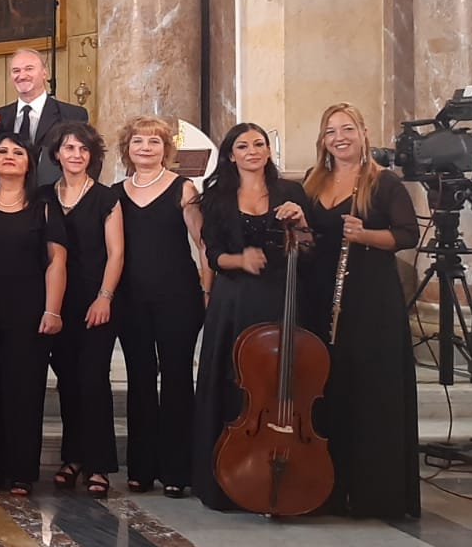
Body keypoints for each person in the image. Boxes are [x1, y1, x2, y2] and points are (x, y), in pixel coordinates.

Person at [299, 103, 419, 519]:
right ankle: (327, 488)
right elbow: (311, 240)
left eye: (347, 129)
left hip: (370, 299)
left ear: (364, 133)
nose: (339, 137)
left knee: (370, 390)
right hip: (320, 298)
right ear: (323, 140)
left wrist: (365, 234)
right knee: (328, 388)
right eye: (330, 131)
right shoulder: (314, 183)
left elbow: (407, 234)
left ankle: (373, 493)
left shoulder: (383, 183)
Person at [192, 122, 311, 510]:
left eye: (259, 144)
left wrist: (302, 223)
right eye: (243, 146)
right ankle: (229, 474)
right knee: (233, 379)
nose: (252, 151)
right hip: (234, 299)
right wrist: (240, 259)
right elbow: (211, 254)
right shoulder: (217, 197)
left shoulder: (290, 192)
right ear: (230, 154)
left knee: (278, 383)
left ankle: (282, 467)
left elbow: (309, 248)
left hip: (280, 295)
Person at [114, 115, 209, 497]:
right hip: (131, 299)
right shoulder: (116, 192)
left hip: (178, 296)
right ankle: (140, 467)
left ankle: (176, 470)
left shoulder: (183, 189)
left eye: (154, 142)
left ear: (165, 149)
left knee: (176, 378)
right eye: (138, 141)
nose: (146, 148)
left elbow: (203, 244)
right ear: (128, 149)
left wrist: (207, 290)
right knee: (139, 378)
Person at [0, 135, 66, 494]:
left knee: (24, 391)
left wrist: (53, 309)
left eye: (18, 153)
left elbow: (57, 260)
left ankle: (21, 472)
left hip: (29, 311)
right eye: (2, 152)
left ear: (30, 163)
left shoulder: (44, 205)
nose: (9, 157)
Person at [45, 121, 124, 497]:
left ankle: (99, 464)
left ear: (92, 157)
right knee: (68, 382)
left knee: (93, 381)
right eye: (69, 148)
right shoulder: (45, 196)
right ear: (57, 153)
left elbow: (117, 253)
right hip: (58, 304)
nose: (75, 155)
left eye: (83, 150)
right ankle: (72, 457)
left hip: (97, 302)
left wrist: (104, 297)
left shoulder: (107, 198)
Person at [0, 49, 87, 186]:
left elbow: (88, 160)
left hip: (56, 196)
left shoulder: (73, 115)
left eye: (29, 69)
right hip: (8, 196)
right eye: (16, 71)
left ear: (44, 73)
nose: (22, 75)